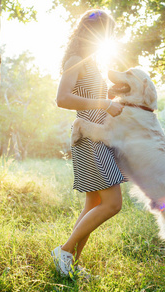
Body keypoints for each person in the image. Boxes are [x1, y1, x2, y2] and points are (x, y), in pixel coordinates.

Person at [51, 9, 125, 278]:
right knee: (113, 203)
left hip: (98, 135)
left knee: (93, 203)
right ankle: (65, 250)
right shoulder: (76, 58)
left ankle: (69, 265)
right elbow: (62, 98)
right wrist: (103, 102)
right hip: (89, 138)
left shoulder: (92, 62)